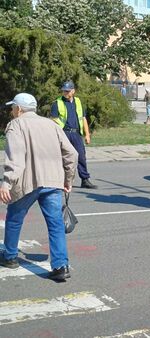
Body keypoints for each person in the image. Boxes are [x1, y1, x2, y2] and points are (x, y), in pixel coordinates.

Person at [0, 93, 78, 281]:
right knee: (56, 224)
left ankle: (10, 256)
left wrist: (6, 182)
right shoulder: (51, 124)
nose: (12, 111)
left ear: (19, 109)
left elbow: (15, 158)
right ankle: (60, 266)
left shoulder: (16, 125)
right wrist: (68, 180)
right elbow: (72, 153)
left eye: (13, 108)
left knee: (14, 218)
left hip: (28, 182)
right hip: (53, 181)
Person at [51, 81, 97, 189]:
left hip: (76, 133)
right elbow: (53, 120)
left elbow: (83, 118)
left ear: (73, 91)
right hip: (64, 133)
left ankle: (84, 179)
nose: (65, 93)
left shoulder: (78, 102)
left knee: (81, 157)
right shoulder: (57, 103)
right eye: (64, 91)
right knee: (64, 158)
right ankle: (62, 181)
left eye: (67, 91)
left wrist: (87, 134)